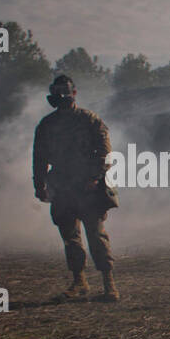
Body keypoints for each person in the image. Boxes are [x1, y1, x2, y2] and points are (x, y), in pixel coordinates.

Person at [33, 75, 119, 301]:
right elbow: (39, 158)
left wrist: (94, 177)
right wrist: (39, 185)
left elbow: (106, 153)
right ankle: (79, 281)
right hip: (62, 186)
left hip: (88, 187)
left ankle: (109, 284)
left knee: (96, 236)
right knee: (70, 238)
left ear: (74, 93)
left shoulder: (89, 120)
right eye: (58, 92)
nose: (62, 96)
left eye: (65, 91)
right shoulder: (47, 125)